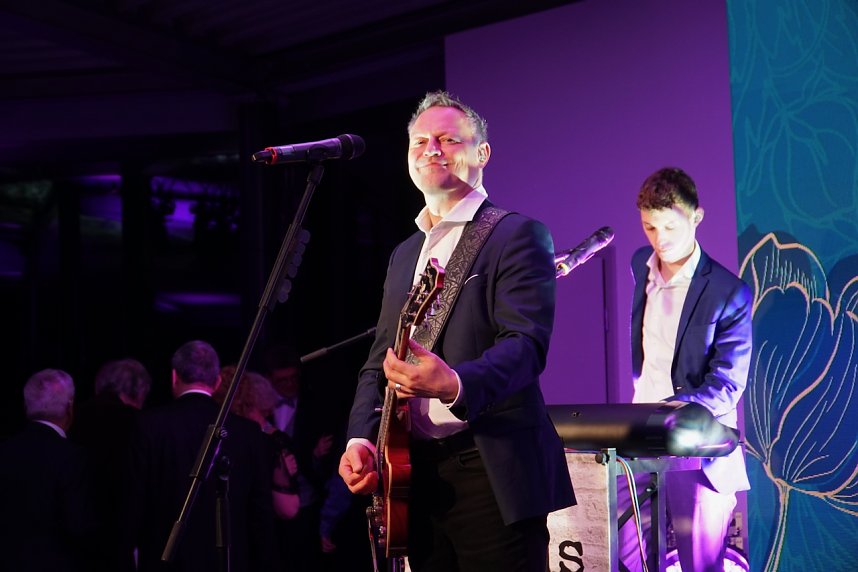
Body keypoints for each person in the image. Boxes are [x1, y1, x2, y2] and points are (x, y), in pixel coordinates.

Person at [338, 90, 574, 571]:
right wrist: (360, 440)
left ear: (481, 153)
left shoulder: (516, 234)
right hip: (413, 476)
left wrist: (454, 383)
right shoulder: (405, 253)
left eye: (447, 139)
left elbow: (526, 345)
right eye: (420, 141)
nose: (432, 149)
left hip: (489, 471)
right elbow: (378, 360)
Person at [625, 167, 751, 572]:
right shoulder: (640, 264)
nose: (659, 240)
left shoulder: (728, 291)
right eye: (649, 227)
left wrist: (671, 409)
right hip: (637, 440)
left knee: (700, 565)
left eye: (669, 227)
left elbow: (727, 385)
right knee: (626, 557)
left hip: (698, 445)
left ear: (697, 216)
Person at [125, 340, 279, 572]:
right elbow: (260, 513)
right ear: (217, 381)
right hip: (228, 561)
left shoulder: (148, 426)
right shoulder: (247, 432)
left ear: (174, 377)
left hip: (166, 560)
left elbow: (134, 502)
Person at [0, 369, 97, 572]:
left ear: (27, 405)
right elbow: (78, 525)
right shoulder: (72, 456)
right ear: (70, 408)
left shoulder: (5, 449)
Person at [71, 358, 152, 572]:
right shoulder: (139, 423)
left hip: (75, 533)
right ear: (140, 391)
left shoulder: (74, 416)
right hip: (119, 533)